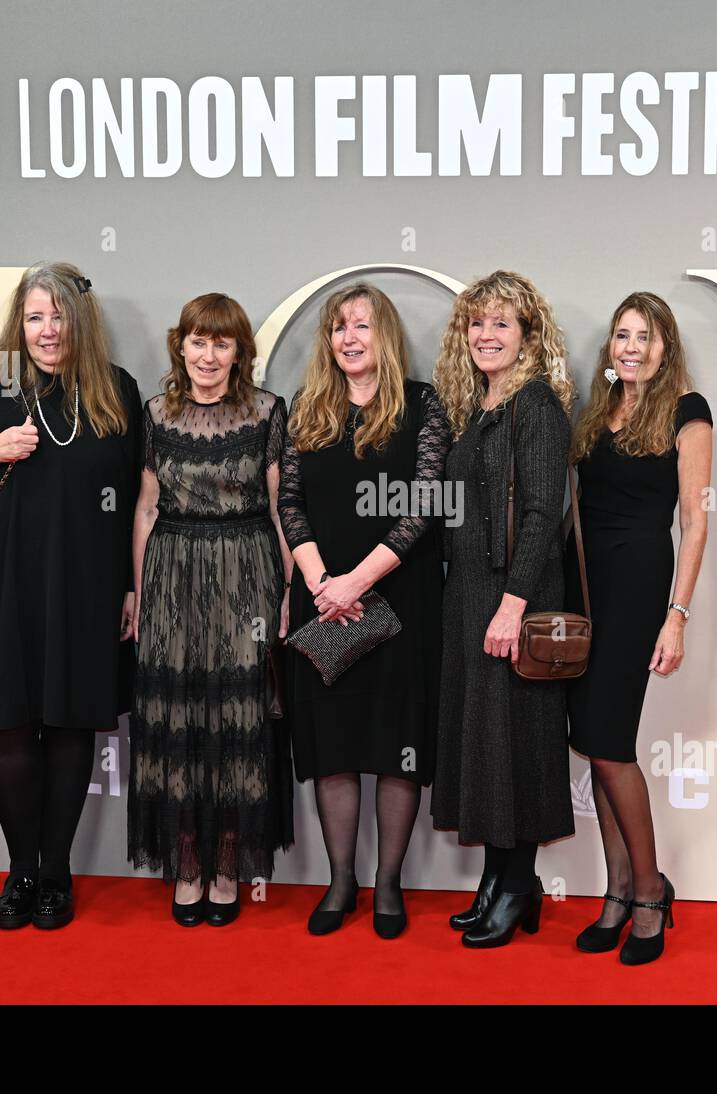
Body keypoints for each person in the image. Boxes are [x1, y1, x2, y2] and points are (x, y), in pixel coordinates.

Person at [0, 262, 142, 930]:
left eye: (59, 316)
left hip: (86, 586)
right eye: (35, 317)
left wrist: (131, 586)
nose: (48, 330)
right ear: (21, 323)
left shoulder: (116, 392)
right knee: (11, 725)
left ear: (81, 321)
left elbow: (136, 499)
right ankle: (20, 872)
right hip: (2, 586)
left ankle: (56, 873)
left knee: (72, 725)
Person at [278, 283, 449, 939]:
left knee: (396, 746)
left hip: (399, 599)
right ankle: (342, 877)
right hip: (322, 599)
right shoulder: (308, 408)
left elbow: (425, 504)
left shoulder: (423, 405)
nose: (350, 338)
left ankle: (389, 883)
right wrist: (324, 580)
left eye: (363, 325)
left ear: (386, 335)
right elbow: (290, 504)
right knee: (334, 747)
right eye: (339, 327)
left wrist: (359, 581)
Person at [126, 293, 294, 928]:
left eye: (221, 343)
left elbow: (281, 509)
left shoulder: (267, 413)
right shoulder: (155, 414)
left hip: (245, 575)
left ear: (238, 352)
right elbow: (145, 507)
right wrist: (140, 593)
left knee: (237, 721)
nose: (208, 355)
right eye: (198, 341)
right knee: (178, 721)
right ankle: (186, 864)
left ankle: (228, 867)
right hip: (171, 577)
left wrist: (284, 596)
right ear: (182, 346)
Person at [564, 291, 712, 965]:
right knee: (594, 741)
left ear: (665, 347)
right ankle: (618, 888)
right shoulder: (598, 410)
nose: (630, 347)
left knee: (612, 742)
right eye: (621, 334)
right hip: (586, 585)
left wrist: (676, 618)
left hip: (639, 584)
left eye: (644, 337)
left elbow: (696, 520)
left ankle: (650, 891)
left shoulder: (688, 411)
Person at [431, 270, 577, 948]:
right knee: (489, 743)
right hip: (470, 598)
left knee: (515, 739)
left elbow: (546, 511)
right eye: (477, 322)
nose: (486, 335)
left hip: (511, 599)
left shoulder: (536, 405)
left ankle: (519, 885)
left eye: (502, 324)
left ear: (528, 337)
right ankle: (499, 879)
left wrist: (512, 605)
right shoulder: (481, 407)